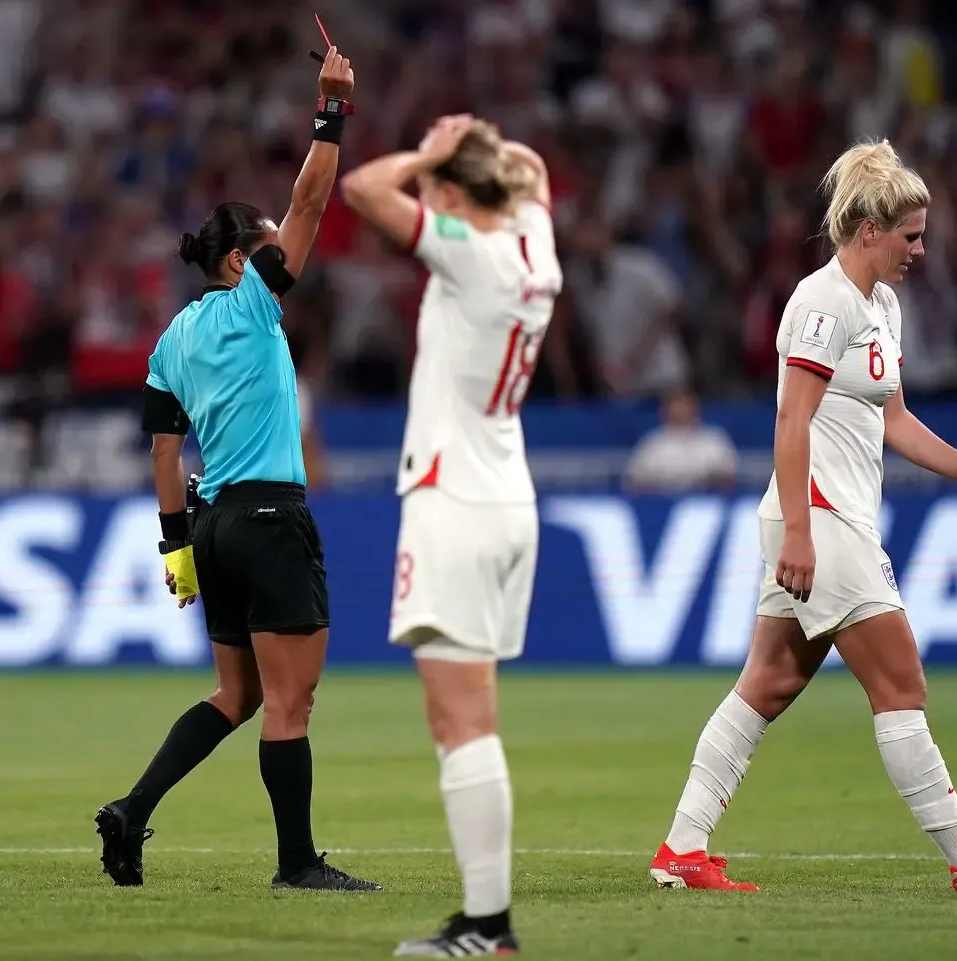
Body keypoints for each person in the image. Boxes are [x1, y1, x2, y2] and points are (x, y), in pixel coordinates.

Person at [649, 140, 957, 894]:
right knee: (902, 681)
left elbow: (894, 420)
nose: (921, 248)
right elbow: (790, 421)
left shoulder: (882, 305)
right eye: (910, 234)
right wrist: (802, 529)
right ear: (868, 229)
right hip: (822, 517)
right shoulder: (821, 301)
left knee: (767, 682)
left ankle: (682, 846)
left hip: (832, 517)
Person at [94, 47, 381, 893]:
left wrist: (176, 549)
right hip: (268, 518)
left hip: (213, 527)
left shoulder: (169, 341)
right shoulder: (256, 299)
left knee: (237, 695)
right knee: (292, 704)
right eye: (263, 251)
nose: (278, 259)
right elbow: (311, 199)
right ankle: (296, 863)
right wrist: (331, 109)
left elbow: (162, 450)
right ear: (238, 264)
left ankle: (132, 809)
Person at [340, 115, 561, 956]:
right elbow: (534, 174)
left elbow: (365, 190)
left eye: (437, 189)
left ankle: (487, 925)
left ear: (458, 196)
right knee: (473, 718)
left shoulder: (471, 254)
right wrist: (487, 152)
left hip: (454, 502)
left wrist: (432, 151)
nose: (426, 197)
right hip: (507, 495)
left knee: (459, 723)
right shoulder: (538, 250)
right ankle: (484, 920)